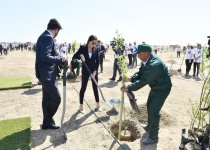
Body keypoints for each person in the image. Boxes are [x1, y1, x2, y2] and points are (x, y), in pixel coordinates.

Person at [121, 43, 172, 145]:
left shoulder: (155, 64)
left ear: (146, 53)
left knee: (154, 111)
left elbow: (144, 80)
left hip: (162, 88)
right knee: (149, 105)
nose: (138, 57)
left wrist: (129, 87)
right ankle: (149, 126)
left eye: (139, 54)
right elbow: (140, 74)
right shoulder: (146, 61)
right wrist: (131, 78)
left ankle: (153, 137)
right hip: (155, 87)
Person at [35, 19, 67, 129]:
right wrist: (60, 59)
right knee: (57, 99)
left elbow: (46, 55)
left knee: (46, 99)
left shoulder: (43, 36)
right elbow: (45, 56)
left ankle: (46, 123)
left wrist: (59, 55)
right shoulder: (48, 37)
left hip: (44, 74)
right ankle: (48, 120)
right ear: (56, 29)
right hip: (47, 75)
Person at [72, 35, 100, 113]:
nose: (94, 45)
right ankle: (81, 106)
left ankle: (97, 105)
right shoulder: (83, 48)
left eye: (95, 43)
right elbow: (74, 56)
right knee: (83, 88)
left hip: (93, 71)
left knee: (95, 87)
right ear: (89, 41)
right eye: (93, 43)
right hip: (85, 71)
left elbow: (97, 62)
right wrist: (80, 56)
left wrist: (95, 71)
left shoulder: (96, 49)